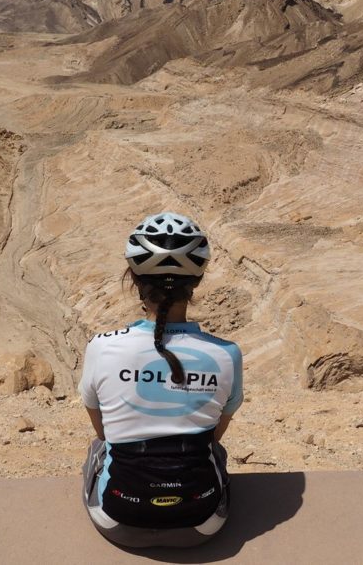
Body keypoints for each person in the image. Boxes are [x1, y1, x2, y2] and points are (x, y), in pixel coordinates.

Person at [79, 211, 243, 549]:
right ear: (196, 282)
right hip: (202, 523)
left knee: (100, 448)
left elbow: (104, 433)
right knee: (214, 451)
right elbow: (213, 437)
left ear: (135, 281)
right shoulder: (228, 354)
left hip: (118, 519)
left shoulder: (102, 346)